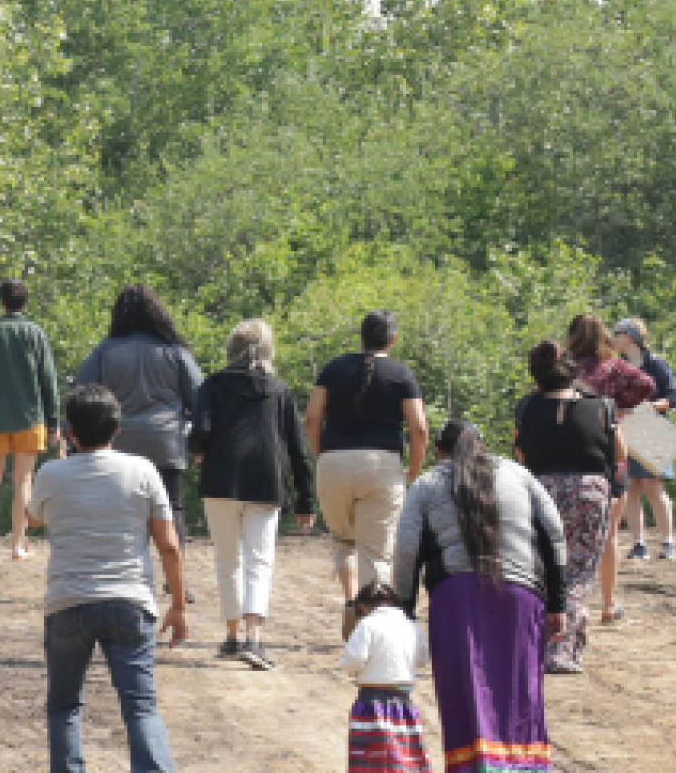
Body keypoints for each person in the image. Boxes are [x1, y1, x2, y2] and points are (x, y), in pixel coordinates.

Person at [26, 384, 188, 773]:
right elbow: (169, 545)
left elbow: (33, 516)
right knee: (140, 704)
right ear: (117, 430)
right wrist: (177, 605)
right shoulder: (142, 471)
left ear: (71, 431)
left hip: (68, 603)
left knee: (65, 706)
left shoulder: (51, 474)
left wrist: (58, 460)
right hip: (129, 601)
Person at [395, 419, 569, 773]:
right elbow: (553, 533)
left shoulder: (428, 484)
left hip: (456, 598)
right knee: (520, 690)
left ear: (440, 451)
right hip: (520, 594)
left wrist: (403, 607)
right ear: (484, 446)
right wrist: (558, 602)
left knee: (466, 694)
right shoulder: (517, 474)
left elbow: (406, 547)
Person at [188, 320, 316, 671]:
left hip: (221, 479)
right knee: (259, 560)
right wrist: (306, 499)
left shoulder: (213, 384)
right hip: (267, 480)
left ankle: (231, 637)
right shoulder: (279, 389)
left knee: (228, 560)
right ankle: (254, 639)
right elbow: (297, 447)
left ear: (232, 348)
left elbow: (199, 430)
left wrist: (198, 449)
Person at [514, 340, 623, 673]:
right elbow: (619, 454)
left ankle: (534, 644)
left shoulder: (526, 407)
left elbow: (519, 451)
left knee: (539, 569)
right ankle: (563, 650)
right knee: (578, 571)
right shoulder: (602, 406)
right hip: (589, 492)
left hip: (539, 490)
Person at [72, 284, 206, 553]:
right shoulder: (175, 351)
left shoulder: (104, 351)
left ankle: (120, 574)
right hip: (165, 442)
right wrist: (199, 441)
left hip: (120, 442)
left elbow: (81, 394)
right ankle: (176, 579)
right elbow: (200, 398)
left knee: (119, 509)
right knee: (171, 507)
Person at [307, 311, 429, 602]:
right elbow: (419, 427)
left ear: (361, 337)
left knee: (343, 539)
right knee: (376, 551)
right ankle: (370, 611)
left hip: (334, 461)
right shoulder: (402, 374)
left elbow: (312, 418)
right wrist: (413, 470)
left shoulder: (333, 368)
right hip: (381, 464)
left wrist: (322, 454)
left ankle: (350, 602)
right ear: (393, 340)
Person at [565, 314, 655, 627]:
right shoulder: (614, 368)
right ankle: (607, 603)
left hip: (566, 455)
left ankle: (568, 599)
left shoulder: (564, 369)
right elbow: (647, 384)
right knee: (609, 535)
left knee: (563, 532)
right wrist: (621, 407)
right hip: (609, 454)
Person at [0, 278, 63, 561]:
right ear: (25, 303)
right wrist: (54, 420)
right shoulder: (35, 333)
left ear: (1, 302)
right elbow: (48, 379)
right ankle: (18, 545)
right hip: (30, 418)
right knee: (23, 481)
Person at [341, 580, 429, 773]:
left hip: (372, 701)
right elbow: (423, 658)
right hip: (403, 702)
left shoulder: (367, 624)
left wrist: (346, 665)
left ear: (363, 606)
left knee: (368, 766)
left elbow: (356, 659)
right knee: (391, 763)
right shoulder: (410, 625)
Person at [611, 318, 676, 562]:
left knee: (654, 487)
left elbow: (674, 397)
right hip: (625, 428)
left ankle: (668, 541)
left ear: (631, 336)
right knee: (631, 487)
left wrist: (648, 408)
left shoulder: (656, 364)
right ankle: (638, 543)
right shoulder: (617, 367)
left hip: (651, 426)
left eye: (617, 333)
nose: (613, 337)